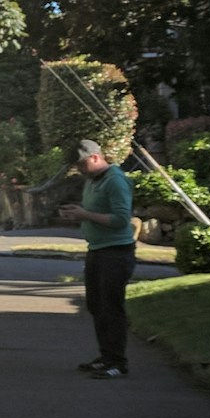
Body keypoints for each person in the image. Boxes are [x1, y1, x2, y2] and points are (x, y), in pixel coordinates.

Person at [57, 138, 135, 378]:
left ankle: (117, 362)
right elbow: (94, 211)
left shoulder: (115, 180)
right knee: (96, 305)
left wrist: (86, 214)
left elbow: (121, 219)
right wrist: (78, 214)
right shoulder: (92, 181)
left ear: (95, 157)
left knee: (112, 307)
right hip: (97, 249)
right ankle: (106, 356)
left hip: (116, 251)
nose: (80, 171)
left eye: (81, 165)